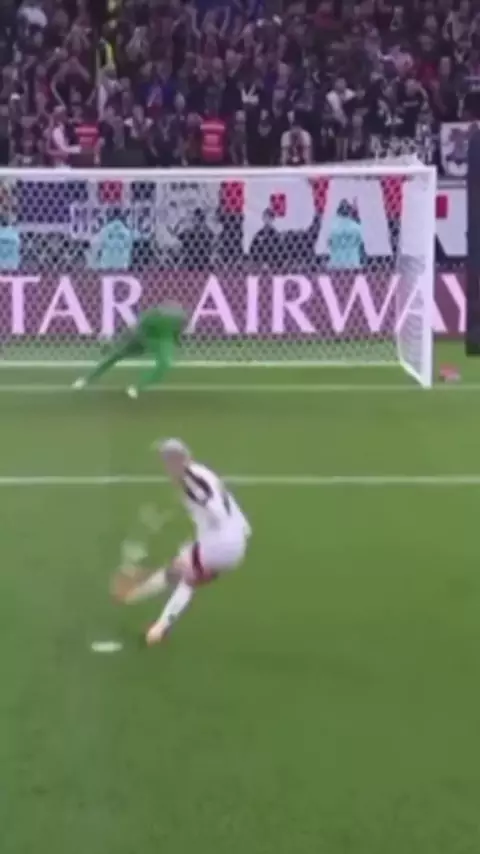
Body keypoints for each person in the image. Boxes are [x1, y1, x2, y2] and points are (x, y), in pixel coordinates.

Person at [112, 439, 252, 646]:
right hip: (236, 542)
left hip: (222, 543)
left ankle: (149, 617)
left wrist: (211, 532)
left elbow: (215, 510)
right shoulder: (201, 472)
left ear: (178, 460)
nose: (165, 465)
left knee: (184, 572)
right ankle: (139, 602)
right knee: (184, 570)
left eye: (167, 460)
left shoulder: (190, 479)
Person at [72, 302, 186, 398]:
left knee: (165, 363)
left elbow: (177, 331)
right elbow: (132, 330)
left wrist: (176, 340)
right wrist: (118, 343)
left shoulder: (179, 319)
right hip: (142, 338)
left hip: (162, 341)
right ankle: (86, 379)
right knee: (116, 355)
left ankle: (136, 388)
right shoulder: (150, 317)